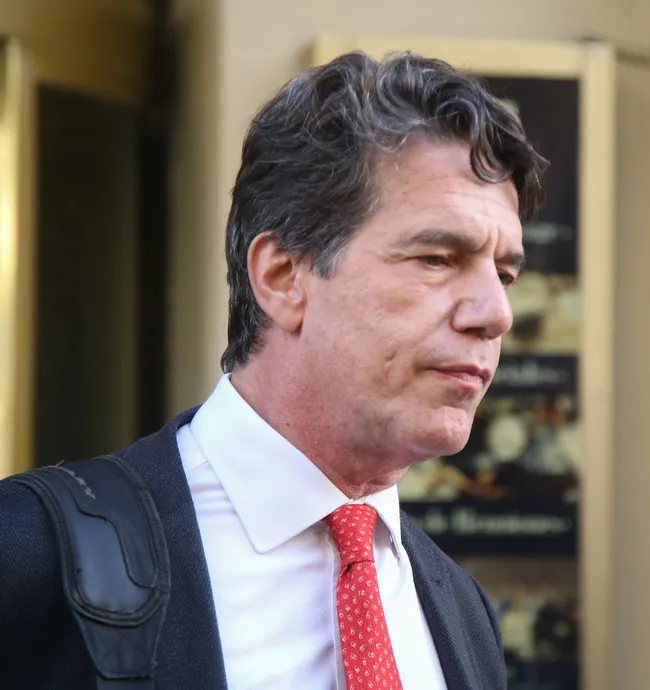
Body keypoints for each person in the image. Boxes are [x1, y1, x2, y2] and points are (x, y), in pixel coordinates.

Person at [0, 50, 547, 689]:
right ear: (284, 277)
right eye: (437, 259)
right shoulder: (31, 554)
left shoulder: (462, 610)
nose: (496, 313)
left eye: (504, 274)